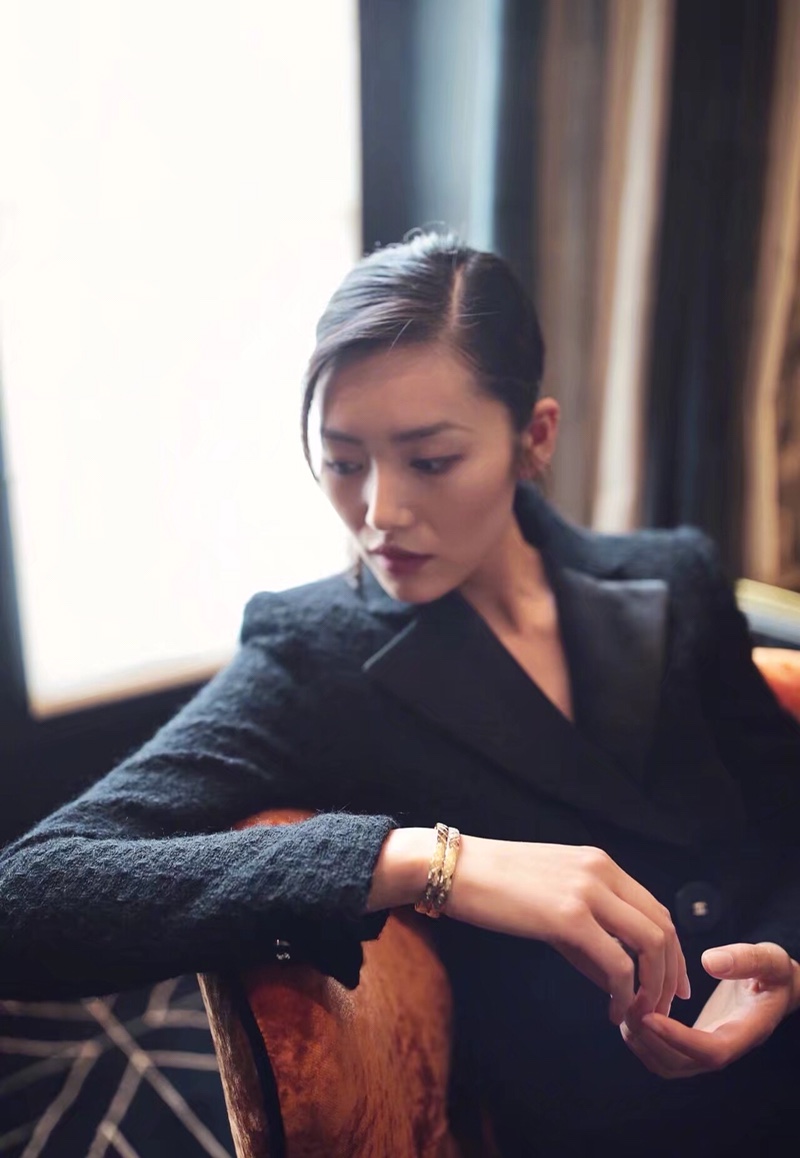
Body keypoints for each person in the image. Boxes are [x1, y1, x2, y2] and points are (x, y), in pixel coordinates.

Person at [1, 231, 799, 1156]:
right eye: (344, 462)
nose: (379, 513)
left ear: (534, 438)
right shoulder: (312, 657)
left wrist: (784, 963)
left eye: (430, 461)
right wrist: (426, 861)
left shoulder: (675, 577)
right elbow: (30, 896)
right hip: (612, 1119)